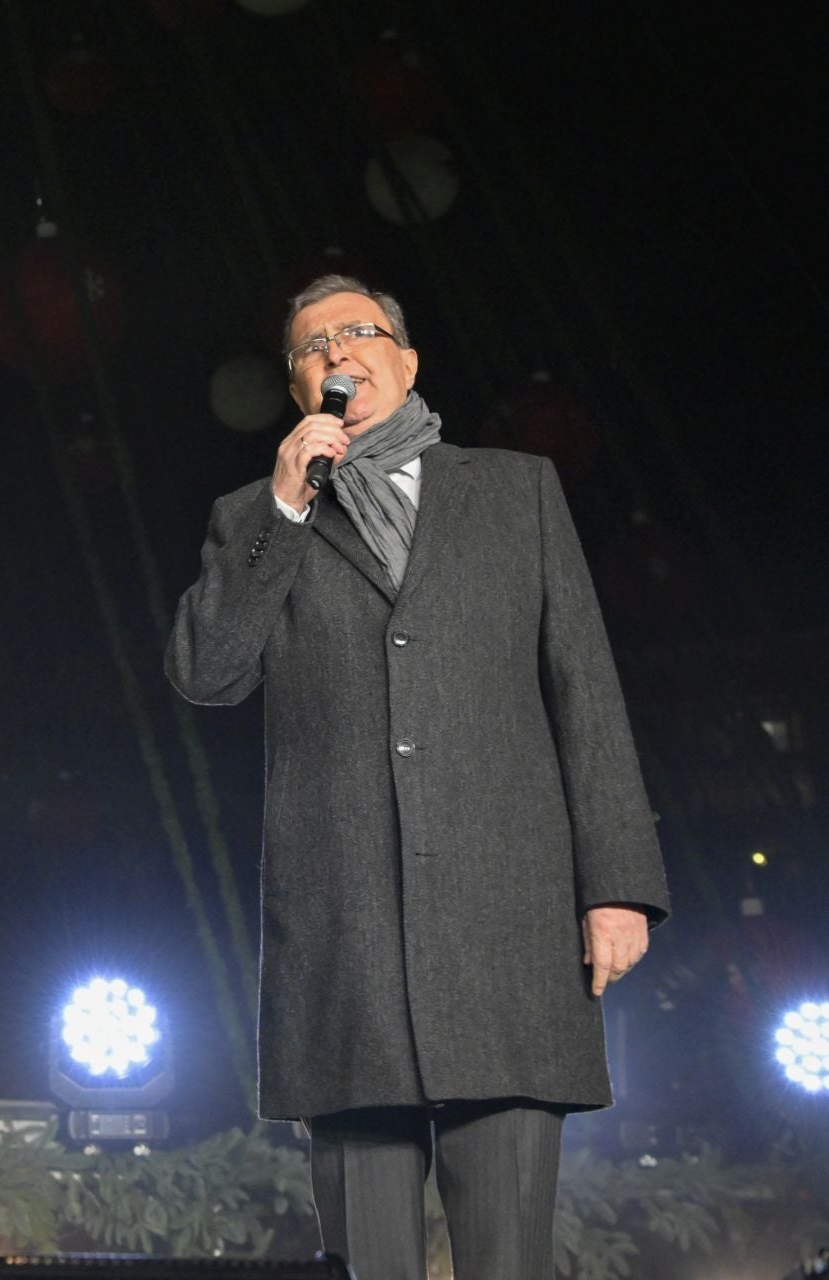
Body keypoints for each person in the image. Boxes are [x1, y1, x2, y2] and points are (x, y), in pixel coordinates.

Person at [165, 274, 669, 1280]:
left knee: (507, 1255)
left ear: (405, 357)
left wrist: (616, 883)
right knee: (366, 1260)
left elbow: (586, 689)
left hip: (507, 927)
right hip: (344, 935)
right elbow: (208, 672)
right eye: (312, 345)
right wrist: (283, 506)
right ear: (298, 383)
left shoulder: (516, 489)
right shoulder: (256, 516)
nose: (337, 352)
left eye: (359, 331)